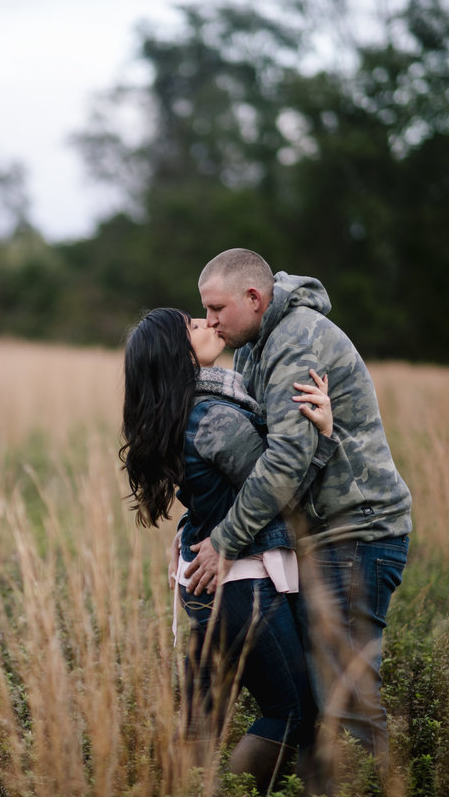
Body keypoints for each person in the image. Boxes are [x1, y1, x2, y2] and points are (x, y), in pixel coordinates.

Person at [185, 248, 413, 791]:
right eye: (204, 311)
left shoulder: (295, 341)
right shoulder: (253, 344)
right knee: (315, 700)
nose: (210, 321)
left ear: (254, 298)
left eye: (216, 309)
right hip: (317, 535)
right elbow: (260, 450)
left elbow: (284, 464)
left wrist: (225, 541)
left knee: (347, 700)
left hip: (355, 533)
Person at [120, 307, 338, 794]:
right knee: (293, 713)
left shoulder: (185, 413)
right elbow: (284, 493)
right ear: (178, 354)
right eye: (192, 326)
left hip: (208, 586)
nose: (207, 324)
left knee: (203, 716)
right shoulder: (215, 415)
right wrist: (322, 437)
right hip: (239, 585)